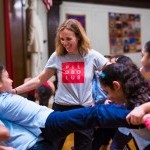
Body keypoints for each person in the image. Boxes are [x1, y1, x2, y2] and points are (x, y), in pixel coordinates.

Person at [11, 18, 110, 150]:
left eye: (68, 39)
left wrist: (108, 93)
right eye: (62, 39)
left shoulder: (92, 56)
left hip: (84, 109)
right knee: (53, 146)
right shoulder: (57, 56)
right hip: (62, 108)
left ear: (79, 37)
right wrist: (14, 91)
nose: (65, 43)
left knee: (84, 147)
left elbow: (111, 72)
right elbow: (39, 79)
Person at [0, 64, 142, 150]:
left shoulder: (5, 97)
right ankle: (139, 118)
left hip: (43, 124)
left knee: (93, 117)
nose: (11, 79)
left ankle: (136, 114)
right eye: (7, 77)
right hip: (47, 121)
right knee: (95, 114)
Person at [99, 63, 150, 150]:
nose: (108, 97)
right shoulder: (132, 102)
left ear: (116, 86)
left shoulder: (140, 106)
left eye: (107, 92)